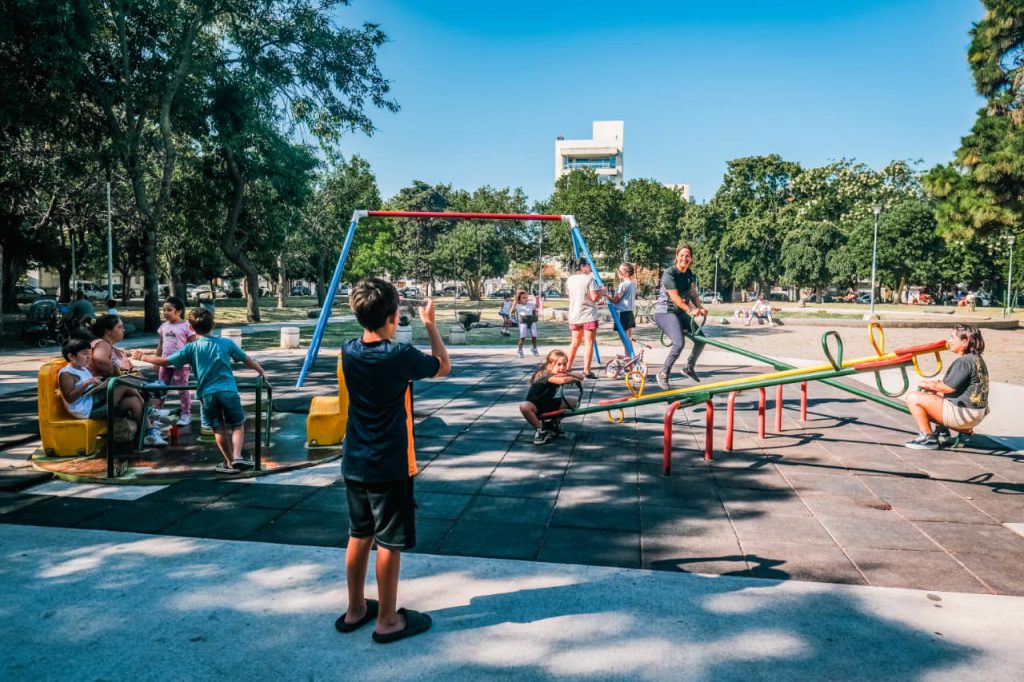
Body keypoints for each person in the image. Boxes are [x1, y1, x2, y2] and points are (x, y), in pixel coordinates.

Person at [332, 278, 449, 644]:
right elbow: (443, 366)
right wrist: (430, 324)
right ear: (394, 316)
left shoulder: (349, 350)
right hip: (390, 463)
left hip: (355, 460)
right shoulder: (399, 355)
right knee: (388, 542)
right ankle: (386, 620)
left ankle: (355, 609)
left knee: (359, 534)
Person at [132, 307, 267, 473]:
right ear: (213, 324)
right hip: (228, 391)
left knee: (218, 427)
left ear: (191, 327)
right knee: (237, 425)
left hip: (207, 394)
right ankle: (238, 456)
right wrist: (261, 372)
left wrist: (142, 356)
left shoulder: (191, 348)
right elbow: (246, 359)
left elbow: (166, 362)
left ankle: (230, 462)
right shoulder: (226, 343)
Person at [904, 324, 990, 450]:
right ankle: (943, 432)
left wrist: (927, 384)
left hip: (965, 415)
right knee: (933, 394)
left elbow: (947, 388)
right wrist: (934, 387)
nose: (949, 341)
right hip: (976, 414)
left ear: (964, 341)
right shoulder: (976, 359)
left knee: (913, 398)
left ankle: (928, 438)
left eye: (953, 337)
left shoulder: (963, 362)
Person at [89, 315, 169, 447]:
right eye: (119, 327)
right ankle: (150, 412)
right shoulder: (101, 343)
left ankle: (149, 433)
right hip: (99, 398)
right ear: (108, 331)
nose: (123, 330)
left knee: (136, 399)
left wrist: (134, 375)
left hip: (114, 396)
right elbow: (100, 360)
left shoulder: (117, 351)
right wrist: (117, 372)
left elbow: (133, 370)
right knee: (129, 384)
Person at [58, 338, 145, 445]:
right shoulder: (67, 373)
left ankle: (148, 432)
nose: (88, 357)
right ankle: (150, 411)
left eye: (89, 353)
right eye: (84, 354)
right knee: (123, 385)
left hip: (92, 401)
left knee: (133, 401)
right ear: (71, 356)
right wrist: (86, 383)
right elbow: (69, 398)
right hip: (85, 409)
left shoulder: (82, 368)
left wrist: (100, 383)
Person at [654, 245, 708, 390]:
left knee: (701, 339)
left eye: (688, 255)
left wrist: (700, 307)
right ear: (676, 257)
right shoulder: (669, 274)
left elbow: (692, 293)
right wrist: (690, 310)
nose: (685, 258)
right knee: (679, 343)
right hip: (665, 313)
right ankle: (663, 373)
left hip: (679, 313)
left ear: (691, 259)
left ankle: (689, 367)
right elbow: (675, 298)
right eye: (682, 255)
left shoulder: (689, 273)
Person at [520, 349, 583, 446]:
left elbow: (581, 376)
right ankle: (540, 430)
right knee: (524, 406)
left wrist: (567, 373)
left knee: (574, 403)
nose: (562, 367)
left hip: (547, 403)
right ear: (549, 365)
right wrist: (572, 378)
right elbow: (562, 381)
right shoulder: (546, 374)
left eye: (564, 364)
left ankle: (551, 424)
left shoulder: (557, 373)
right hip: (535, 407)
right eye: (559, 364)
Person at [155, 296, 198, 426]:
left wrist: (194, 362)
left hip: (181, 365)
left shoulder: (187, 326)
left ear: (178, 311)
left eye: (169, 310)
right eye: (164, 310)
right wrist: (156, 361)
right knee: (160, 389)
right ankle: (156, 414)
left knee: (182, 389)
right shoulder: (163, 326)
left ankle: (186, 414)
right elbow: (160, 345)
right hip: (164, 363)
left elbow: (194, 346)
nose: (165, 312)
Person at [565, 259, 605, 378]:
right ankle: (587, 370)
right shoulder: (589, 279)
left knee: (574, 343)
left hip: (575, 315)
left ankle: (567, 367)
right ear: (583, 266)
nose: (590, 268)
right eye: (588, 265)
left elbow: (576, 295)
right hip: (588, 315)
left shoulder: (570, 280)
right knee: (589, 343)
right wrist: (602, 292)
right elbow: (594, 297)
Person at [607, 262, 637, 352]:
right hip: (629, 312)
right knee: (628, 338)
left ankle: (629, 357)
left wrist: (606, 295)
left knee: (625, 339)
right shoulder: (632, 284)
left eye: (620, 271)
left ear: (627, 273)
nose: (618, 272)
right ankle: (630, 357)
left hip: (622, 314)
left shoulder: (623, 285)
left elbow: (615, 300)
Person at [511, 290, 539, 358]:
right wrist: (514, 302)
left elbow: (537, 306)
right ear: (519, 299)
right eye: (523, 298)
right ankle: (520, 351)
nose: (525, 299)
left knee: (534, 335)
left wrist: (537, 299)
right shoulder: (518, 305)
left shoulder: (530, 304)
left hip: (531, 320)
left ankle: (534, 349)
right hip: (523, 321)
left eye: (526, 297)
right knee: (523, 337)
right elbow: (511, 311)